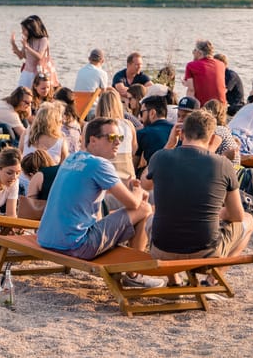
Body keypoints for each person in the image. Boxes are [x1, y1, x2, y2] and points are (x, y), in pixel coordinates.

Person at [36, 117, 161, 287]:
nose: (117, 142)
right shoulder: (100, 164)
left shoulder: (72, 159)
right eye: (111, 138)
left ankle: (131, 268)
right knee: (145, 208)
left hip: (47, 239)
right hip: (76, 245)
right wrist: (139, 191)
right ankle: (134, 275)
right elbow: (132, 204)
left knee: (124, 212)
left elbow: (95, 189)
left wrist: (129, 189)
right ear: (93, 140)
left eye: (120, 138)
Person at [141, 109, 253, 261]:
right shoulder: (222, 164)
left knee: (150, 218)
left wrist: (169, 144)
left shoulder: (160, 157)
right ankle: (213, 279)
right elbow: (237, 215)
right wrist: (215, 214)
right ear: (212, 137)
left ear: (181, 133)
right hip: (206, 251)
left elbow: (145, 183)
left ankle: (174, 280)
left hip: (163, 250)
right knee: (248, 219)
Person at [94, 88, 137, 183]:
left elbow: (85, 151)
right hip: (128, 178)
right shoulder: (128, 125)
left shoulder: (92, 126)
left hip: (104, 179)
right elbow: (134, 150)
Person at [135, 93, 173, 174]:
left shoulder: (143, 133)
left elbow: (134, 164)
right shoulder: (177, 130)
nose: (140, 118)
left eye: (142, 113)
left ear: (152, 113)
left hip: (155, 177)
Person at [11, 14, 51, 88]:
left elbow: (39, 56)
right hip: (26, 72)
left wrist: (27, 47)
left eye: (24, 30)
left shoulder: (43, 40)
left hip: (37, 73)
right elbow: (21, 56)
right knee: (20, 94)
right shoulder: (28, 39)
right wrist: (13, 44)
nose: (22, 32)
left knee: (34, 96)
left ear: (31, 29)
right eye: (22, 30)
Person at [16, 149, 57, 221]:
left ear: (31, 174)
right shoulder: (60, 171)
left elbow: (29, 210)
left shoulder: (38, 176)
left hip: (49, 221)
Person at [184, 40, 226, 105]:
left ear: (200, 52)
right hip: (221, 107)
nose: (193, 52)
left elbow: (191, 90)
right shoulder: (221, 64)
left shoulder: (191, 65)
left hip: (203, 107)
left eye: (195, 50)